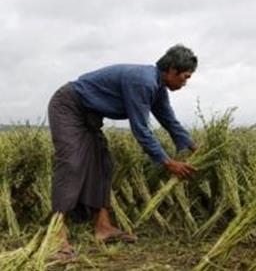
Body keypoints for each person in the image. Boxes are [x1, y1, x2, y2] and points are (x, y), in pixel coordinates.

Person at [47, 44, 198, 260]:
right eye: (185, 76)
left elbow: (169, 120)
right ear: (172, 69)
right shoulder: (143, 81)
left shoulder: (157, 88)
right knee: (71, 164)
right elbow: (141, 129)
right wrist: (167, 162)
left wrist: (192, 146)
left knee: (103, 163)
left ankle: (103, 227)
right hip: (68, 107)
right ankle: (56, 236)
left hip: (89, 117)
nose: (185, 82)